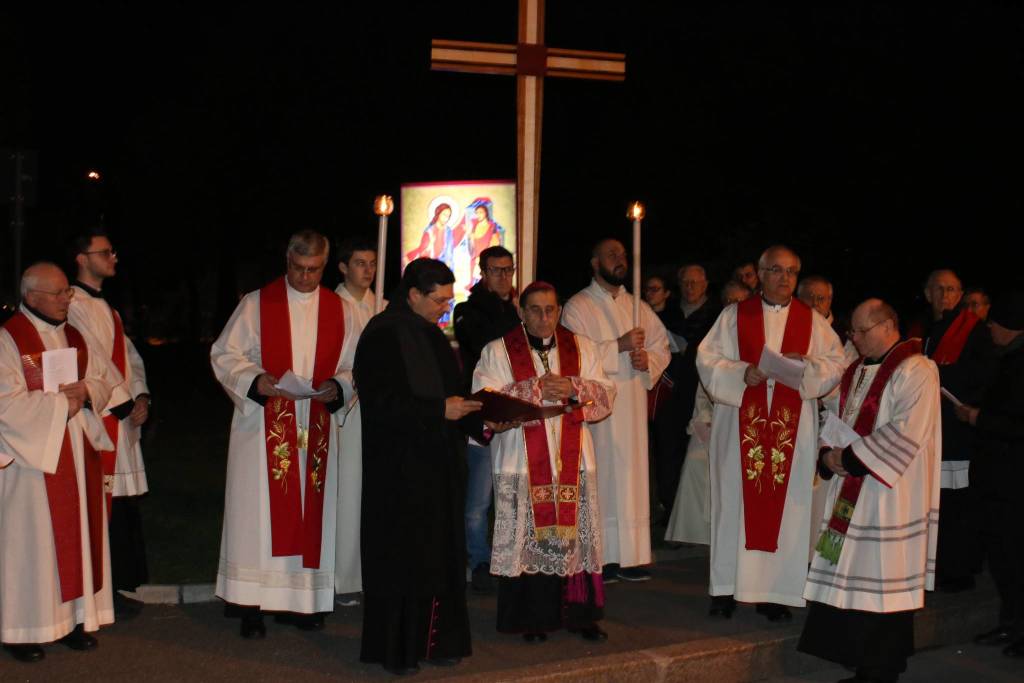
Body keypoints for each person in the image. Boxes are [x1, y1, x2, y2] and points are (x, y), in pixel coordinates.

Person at [210, 230, 349, 638]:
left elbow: (358, 363)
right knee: (258, 517)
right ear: (286, 262)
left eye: (315, 270)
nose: (306, 278)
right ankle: (251, 603)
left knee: (310, 514)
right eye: (299, 269)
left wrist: (338, 385)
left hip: (316, 425)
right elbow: (223, 354)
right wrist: (257, 380)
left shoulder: (340, 310)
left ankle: (302, 602)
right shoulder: (257, 304)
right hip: (263, 424)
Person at [697, 245, 845, 621]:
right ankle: (726, 588)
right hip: (739, 424)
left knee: (787, 509)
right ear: (760, 274)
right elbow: (708, 359)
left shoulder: (812, 321)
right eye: (776, 270)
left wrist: (806, 365)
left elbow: (834, 363)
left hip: (791, 429)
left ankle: (775, 592)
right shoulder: (734, 315)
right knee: (734, 503)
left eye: (791, 271)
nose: (784, 278)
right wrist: (740, 372)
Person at [799, 299, 941, 683]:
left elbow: (908, 429)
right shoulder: (858, 370)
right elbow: (839, 419)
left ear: (888, 325)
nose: (854, 338)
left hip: (889, 496)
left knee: (883, 582)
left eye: (861, 331)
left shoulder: (917, 369)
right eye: (852, 331)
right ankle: (861, 661)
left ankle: (880, 670)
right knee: (856, 578)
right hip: (855, 490)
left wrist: (850, 458)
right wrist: (828, 454)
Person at [356, 258, 487, 675]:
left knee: (440, 557)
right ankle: (400, 648)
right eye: (439, 300)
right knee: (404, 558)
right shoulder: (381, 335)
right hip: (399, 471)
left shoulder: (432, 336)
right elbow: (380, 404)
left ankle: (437, 640)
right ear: (413, 294)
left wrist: (481, 418)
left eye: (450, 300)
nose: (445, 309)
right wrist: (437, 411)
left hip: (439, 467)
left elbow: (452, 398)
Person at [473, 281, 616, 643]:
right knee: (529, 540)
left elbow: (605, 395)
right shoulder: (498, 350)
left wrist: (573, 388)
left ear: (559, 310)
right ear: (521, 312)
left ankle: (580, 616)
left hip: (573, 460)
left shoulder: (583, 348)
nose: (543, 317)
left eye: (550, 309)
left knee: (573, 540)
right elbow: (485, 398)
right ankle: (532, 619)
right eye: (535, 310)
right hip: (522, 461)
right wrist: (533, 389)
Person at [0, 262, 122, 662]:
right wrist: (60, 405)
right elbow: (6, 404)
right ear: (31, 296)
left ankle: (71, 620)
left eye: (67, 292)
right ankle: (22, 629)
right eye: (58, 294)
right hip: (31, 460)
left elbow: (108, 378)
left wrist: (86, 391)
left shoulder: (76, 335)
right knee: (30, 545)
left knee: (76, 536)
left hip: (76, 449)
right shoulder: (8, 340)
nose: (66, 300)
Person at [562, 238, 671, 583]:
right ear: (594, 263)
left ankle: (631, 555)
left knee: (631, 476)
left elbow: (660, 344)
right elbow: (574, 353)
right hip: (599, 408)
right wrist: (618, 348)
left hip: (633, 403)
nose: (620, 259)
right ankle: (601, 556)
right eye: (612, 254)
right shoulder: (578, 305)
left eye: (623, 254)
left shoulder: (637, 305)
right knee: (602, 476)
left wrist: (647, 360)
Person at [68, 231, 151, 615]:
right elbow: (92, 357)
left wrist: (142, 396)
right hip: (99, 418)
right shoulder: (72, 303)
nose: (113, 257)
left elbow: (129, 357)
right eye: (105, 252)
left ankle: (117, 586)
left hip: (119, 414)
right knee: (101, 504)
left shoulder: (110, 309)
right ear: (82, 258)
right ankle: (100, 590)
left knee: (120, 507)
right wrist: (123, 403)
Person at [954, 292, 1024, 655]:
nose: (990, 328)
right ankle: (1010, 625)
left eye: (994, 322)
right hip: (1000, 482)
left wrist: (978, 417)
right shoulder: (1006, 358)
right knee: (1003, 559)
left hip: (1012, 483)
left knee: (1014, 559)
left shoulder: (1018, 362)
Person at [919, 269, 997, 592]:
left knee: (957, 504)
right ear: (927, 293)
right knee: (934, 500)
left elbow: (983, 376)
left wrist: (943, 378)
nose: (945, 295)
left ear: (960, 294)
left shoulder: (973, 331)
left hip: (957, 430)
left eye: (952, 289)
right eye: (939, 289)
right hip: (930, 429)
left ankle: (957, 569)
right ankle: (935, 565)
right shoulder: (923, 330)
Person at [453, 245, 520, 594]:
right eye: (496, 270)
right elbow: (484, 344)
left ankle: (511, 556)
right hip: (482, 412)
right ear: (482, 272)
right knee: (478, 500)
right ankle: (478, 559)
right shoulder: (468, 310)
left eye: (508, 270)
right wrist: (514, 315)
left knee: (513, 491)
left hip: (516, 410)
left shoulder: (518, 309)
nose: (504, 277)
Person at [665, 280, 753, 546]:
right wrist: (704, 421)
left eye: (739, 301)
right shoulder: (714, 336)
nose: (733, 306)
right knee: (695, 460)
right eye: (728, 300)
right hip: (714, 418)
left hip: (749, 421)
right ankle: (693, 532)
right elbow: (704, 385)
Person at [332, 236, 386, 604]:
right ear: (343, 267)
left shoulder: (382, 305)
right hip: (347, 411)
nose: (368, 271)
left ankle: (374, 571)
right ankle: (346, 577)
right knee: (348, 491)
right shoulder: (332, 307)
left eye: (372, 263)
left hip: (380, 412)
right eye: (360, 263)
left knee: (376, 492)